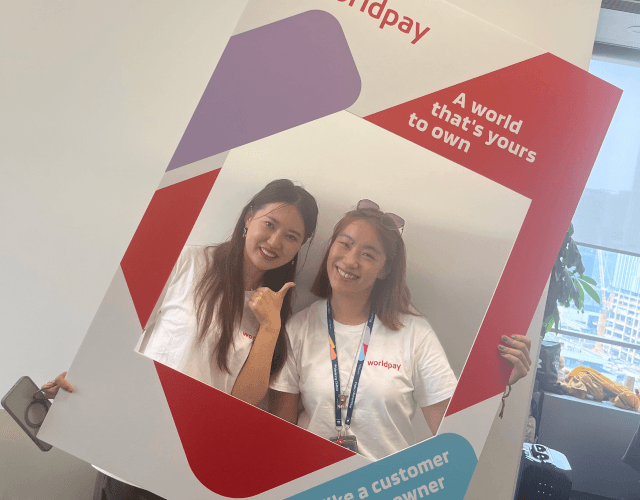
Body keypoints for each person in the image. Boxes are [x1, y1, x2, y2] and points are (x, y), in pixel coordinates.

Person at [42, 179, 319, 499]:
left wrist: (270, 327)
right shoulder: (186, 261)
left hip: (195, 470)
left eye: (291, 236)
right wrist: (81, 381)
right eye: (269, 224)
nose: (274, 241)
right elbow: (118, 337)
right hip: (131, 450)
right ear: (248, 217)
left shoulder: (274, 309)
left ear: (302, 245)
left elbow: (242, 401)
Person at [268, 200, 531, 461]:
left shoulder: (414, 334)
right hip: (309, 484)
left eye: (368, 254)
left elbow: (452, 433)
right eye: (345, 244)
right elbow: (282, 430)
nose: (350, 260)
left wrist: (497, 383)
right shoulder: (299, 326)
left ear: (385, 270)